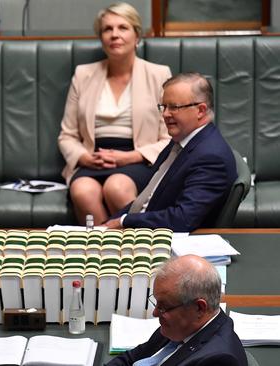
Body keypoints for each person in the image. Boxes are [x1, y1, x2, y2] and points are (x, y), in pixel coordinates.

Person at [58, 2, 171, 226]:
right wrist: (84, 157)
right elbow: (67, 135)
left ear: (137, 36)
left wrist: (130, 157)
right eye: (107, 29)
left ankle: (133, 252)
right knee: (82, 190)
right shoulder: (83, 75)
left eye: (122, 27)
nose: (114, 35)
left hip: (140, 159)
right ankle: (103, 255)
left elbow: (169, 137)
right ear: (101, 38)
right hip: (94, 159)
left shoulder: (159, 74)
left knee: (116, 187)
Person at [104, 72, 237, 232]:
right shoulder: (180, 141)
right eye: (164, 107)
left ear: (201, 110)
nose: (165, 114)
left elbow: (182, 218)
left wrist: (125, 221)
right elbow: (147, 198)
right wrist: (108, 224)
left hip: (169, 245)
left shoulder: (211, 158)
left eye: (174, 107)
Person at [107, 255, 247, 365]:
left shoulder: (218, 361)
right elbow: (130, 358)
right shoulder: (179, 327)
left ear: (199, 308)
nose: (155, 313)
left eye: (163, 306)